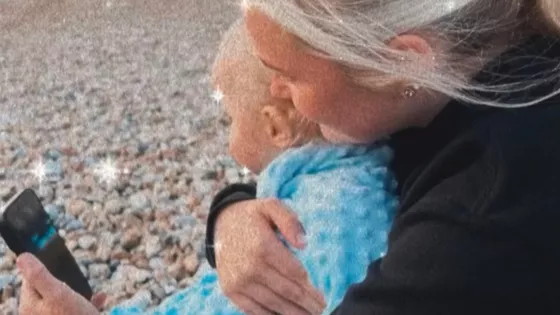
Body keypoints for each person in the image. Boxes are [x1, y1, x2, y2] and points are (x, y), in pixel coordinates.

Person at [16, 19, 399, 315]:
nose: (228, 132)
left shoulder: (314, 224)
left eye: (230, 118)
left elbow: (221, 304)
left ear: (275, 126)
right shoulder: (364, 179)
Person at [201, 1, 560, 315]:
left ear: (401, 63)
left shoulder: (474, 222)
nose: (277, 91)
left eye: (287, 76)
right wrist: (230, 215)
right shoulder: (461, 85)